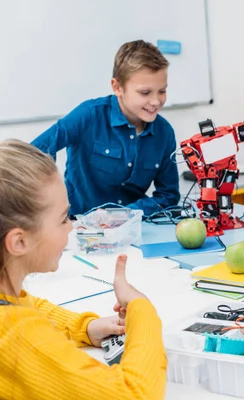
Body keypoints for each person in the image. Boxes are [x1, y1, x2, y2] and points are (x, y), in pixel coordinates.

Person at [0, 140, 166, 399]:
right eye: (64, 218)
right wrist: (141, 310)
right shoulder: (17, 337)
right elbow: (133, 394)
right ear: (19, 242)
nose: (72, 227)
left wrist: (84, 327)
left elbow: (26, 306)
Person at [32, 40, 180, 216]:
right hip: (78, 226)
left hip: (131, 229)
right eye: (145, 93)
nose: (156, 101)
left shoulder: (164, 133)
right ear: (117, 87)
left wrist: (125, 213)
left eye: (162, 91)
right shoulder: (89, 115)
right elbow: (33, 152)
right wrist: (53, 203)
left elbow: (168, 196)